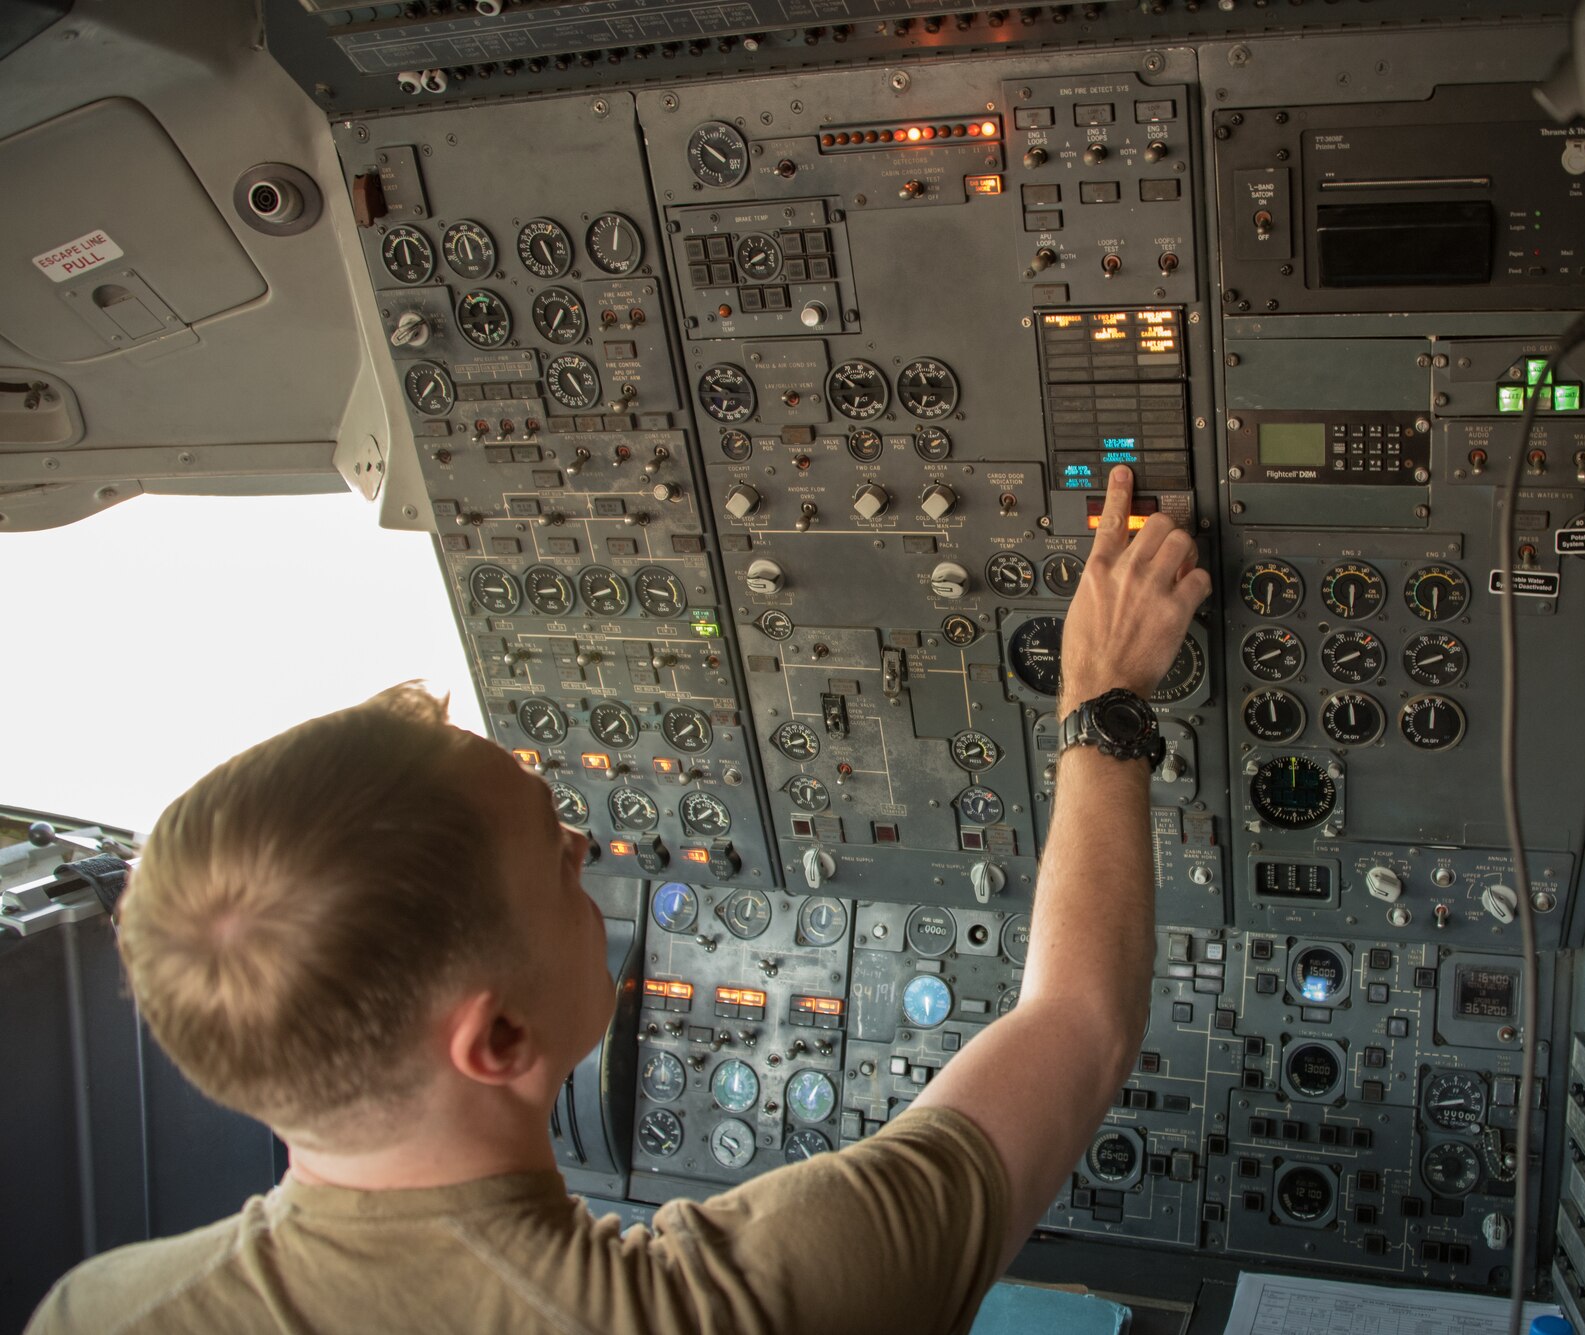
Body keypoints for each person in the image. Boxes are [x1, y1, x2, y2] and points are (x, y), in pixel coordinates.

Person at [28, 465, 1210, 1335]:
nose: (590, 843)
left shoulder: (99, 1311)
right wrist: (1100, 699)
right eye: (556, 859)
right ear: (493, 1039)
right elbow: (1077, 1022)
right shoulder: (744, 1303)